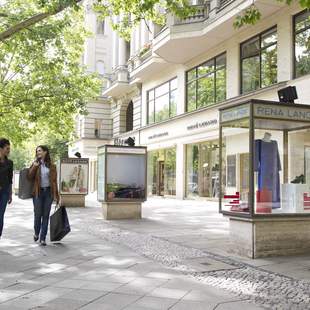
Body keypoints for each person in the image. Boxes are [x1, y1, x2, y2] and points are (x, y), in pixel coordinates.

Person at [28, 145, 59, 246]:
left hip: (48, 193)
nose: (38, 153)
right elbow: (29, 177)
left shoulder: (52, 166)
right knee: (37, 215)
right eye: (37, 151)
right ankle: (37, 233)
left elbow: (54, 182)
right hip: (38, 192)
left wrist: (57, 196)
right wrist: (35, 166)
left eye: (40, 151)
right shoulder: (35, 163)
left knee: (45, 216)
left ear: (45, 152)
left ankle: (42, 238)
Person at [0, 138, 13, 239]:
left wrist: (10, 194)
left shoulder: (9, 163)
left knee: (0, 215)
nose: (9, 151)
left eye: (9, 149)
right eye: (7, 148)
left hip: (4, 192)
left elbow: (10, 179)